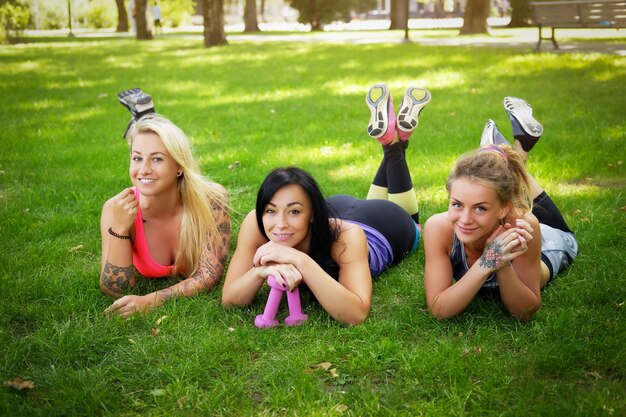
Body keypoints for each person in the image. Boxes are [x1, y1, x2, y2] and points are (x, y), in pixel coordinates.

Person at [222, 83, 430, 325]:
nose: (279, 224)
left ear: (311, 212)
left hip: (386, 224)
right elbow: (230, 299)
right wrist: (259, 271)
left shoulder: (347, 237)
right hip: (340, 207)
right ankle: (393, 143)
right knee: (384, 178)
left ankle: (393, 145)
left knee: (414, 225)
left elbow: (356, 314)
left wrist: (300, 260)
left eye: (294, 211)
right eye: (270, 210)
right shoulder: (255, 223)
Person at [424, 97, 578, 321]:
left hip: (552, 242)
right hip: (507, 209)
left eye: (480, 208)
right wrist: (488, 262)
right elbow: (439, 308)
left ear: (504, 210)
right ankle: (515, 154)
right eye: (457, 204)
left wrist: (503, 263)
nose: (465, 219)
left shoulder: (524, 226)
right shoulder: (438, 227)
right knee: (502, 187)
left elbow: (525, 312)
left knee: (557, 230)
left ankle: (514, 155)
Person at [100, 88, 231, 318]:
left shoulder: (212, 200)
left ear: (179, 166)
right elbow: (115, 290)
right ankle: (144, 116)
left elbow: (208, 275)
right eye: (137, 158)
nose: (143, 169)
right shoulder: (117, 208)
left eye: (157, 159)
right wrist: (119, 230)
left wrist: (151, 300)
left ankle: (144, 116)